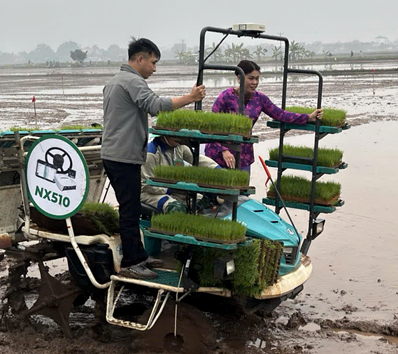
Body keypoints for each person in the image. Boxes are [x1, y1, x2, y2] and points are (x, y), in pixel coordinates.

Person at [101, 38, 206, 279]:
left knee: (133, 207)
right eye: (153, 62)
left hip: (116, 154)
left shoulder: (114, 82)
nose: (154, 69)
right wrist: (189, 99)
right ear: (140, 59)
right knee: (129, 210)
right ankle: (130, 263)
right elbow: (155, 105)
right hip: (122, 157)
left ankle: (139, 256)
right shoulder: (131, 81)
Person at [204, 60, 322, 171]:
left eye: (257, 79)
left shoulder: (260, 99)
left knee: (241, 189)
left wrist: (307, 117)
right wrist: (223, 150)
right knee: (217, 188)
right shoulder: (225, 97)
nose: (255, 82)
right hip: (219, 153)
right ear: (239, 78)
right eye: (251, 78)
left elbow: (280, 114)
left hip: (244, 154)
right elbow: (211, 126)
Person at [141, 135, 220, 213]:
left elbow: (197, 159)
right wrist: (170, 189)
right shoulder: (150, 154)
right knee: (175, 208)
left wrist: (216, 168)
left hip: (173, 190)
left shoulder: (178, 147)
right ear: (164, 135)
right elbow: (145, 185)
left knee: (202, 201)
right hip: (151, 193)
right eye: (175, 136)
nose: (180, 139)